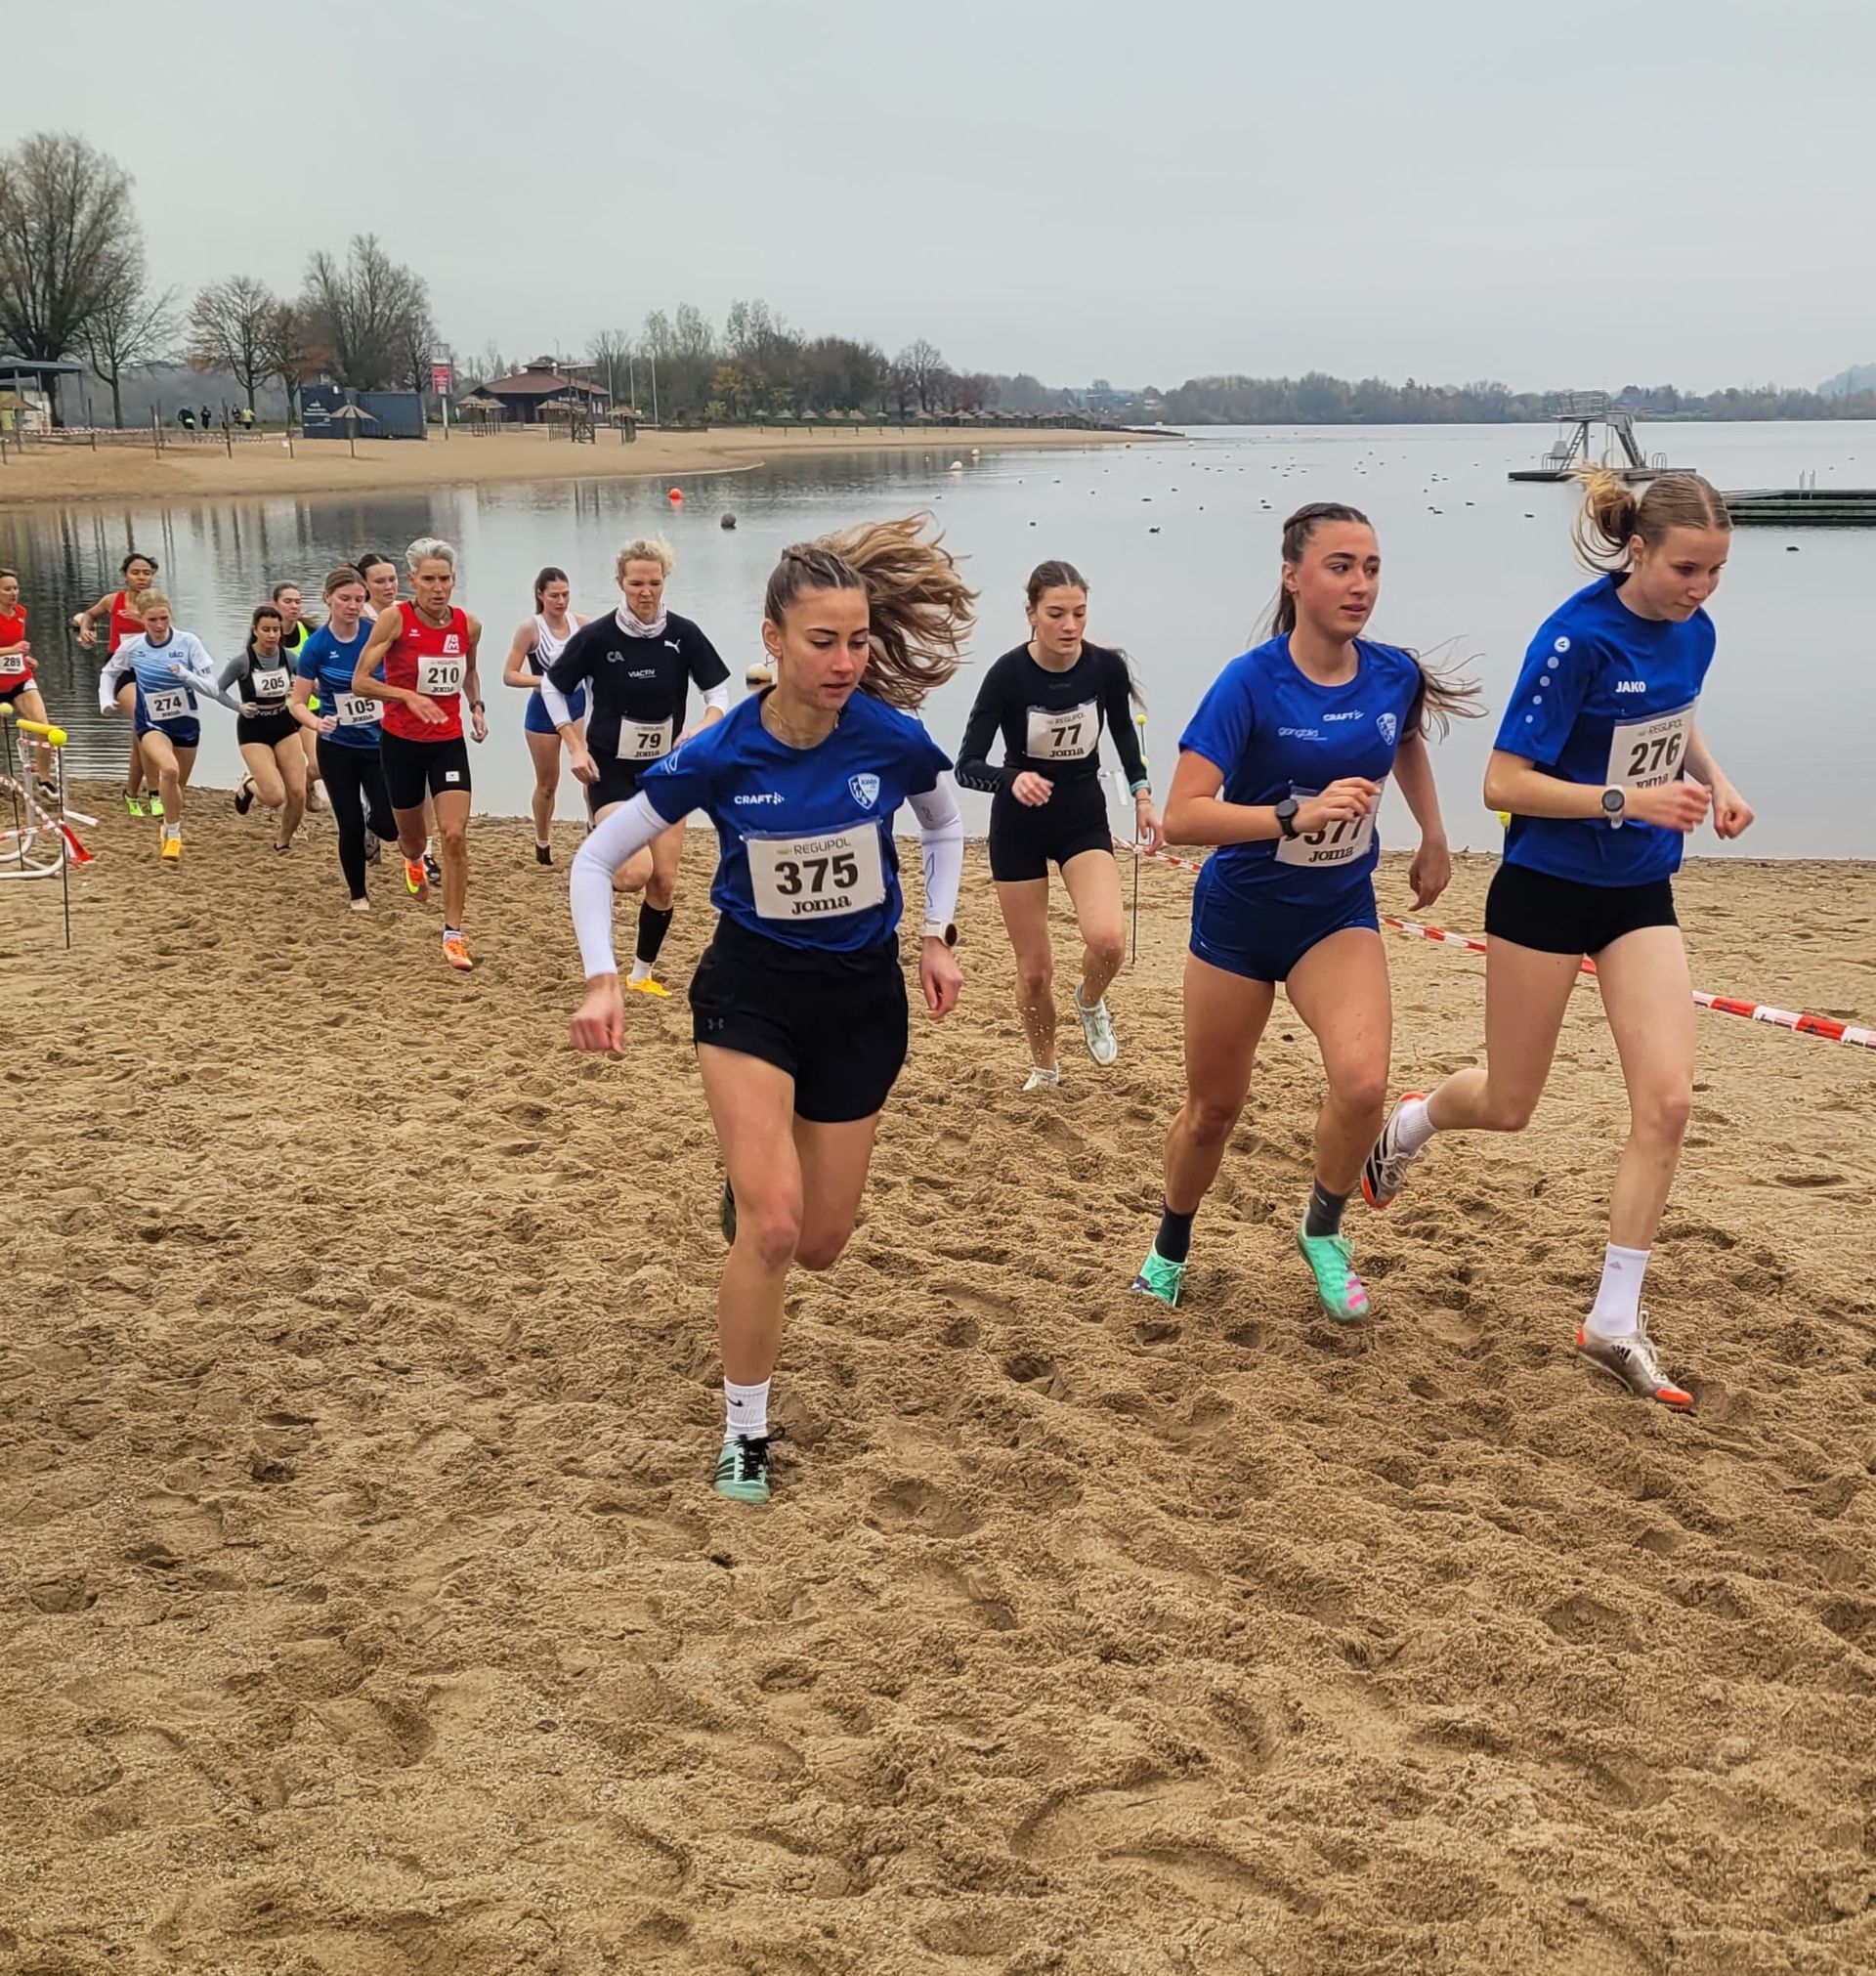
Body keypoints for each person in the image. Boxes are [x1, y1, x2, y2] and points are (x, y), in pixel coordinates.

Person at [569, 516, 971, 1506]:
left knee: (822, 1245)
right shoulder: (722, 753)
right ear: (773, 640)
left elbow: (945, 823)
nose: (845, 662)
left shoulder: (891, 737)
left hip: (861, 1000)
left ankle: (747, 1188)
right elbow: (595, 857)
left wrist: (937, 932)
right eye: (823, 641)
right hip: (750, 994)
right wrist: (602, 975)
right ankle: (744, 1431)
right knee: (779, 1230)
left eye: (858, 641)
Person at [1363, 471, 1752, 1409]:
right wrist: (1627, 799)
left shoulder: (1695, 630)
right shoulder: (1574, 640)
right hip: (1545, 889)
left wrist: (1716, 781)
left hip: (1638, 892)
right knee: (1509, 1104)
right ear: (1638, 551)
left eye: (1716, 571)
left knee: (1668, 1101)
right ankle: (1416, 1120)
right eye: (1687, 569)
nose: (1702, 588)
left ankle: (1613, 1320)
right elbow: (1502, 784)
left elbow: (1675, 716)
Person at [1131, 501, 1471, 1321]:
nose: (1361, 585)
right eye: (1340, 567)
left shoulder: (1392, 673)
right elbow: (1183, 816)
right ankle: (1169, 1245)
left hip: (1335, 916)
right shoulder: (1248, 683)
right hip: (1240, 922)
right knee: (1213, 1111)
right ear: (1292, 577)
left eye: (1372, 568)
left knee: (1363, 1085)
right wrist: (1294, 816)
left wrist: (1432, 833)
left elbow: (1404, 741)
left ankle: (1322, 1230)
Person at [956, 560, 1162, 1089]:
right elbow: (967, 766)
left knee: (1109, 941)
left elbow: (1124, 734)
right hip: (1018, 826)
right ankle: (1045, 1067)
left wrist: (1142, 795)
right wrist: (1012, 779)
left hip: (1081, 817)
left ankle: (1090, 1000)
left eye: (1079, 613)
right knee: (1034, 970)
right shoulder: (1007, 675)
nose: (1070, 626)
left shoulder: (1104, 669)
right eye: (1056, 614)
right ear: (1031, 614)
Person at [544, 537, 731, 994]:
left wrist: (703, 726)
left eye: (654, 583)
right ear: (620, 583)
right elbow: (552, 687)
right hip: (610, 769)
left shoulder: (683, 634)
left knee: (664, 882)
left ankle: (641, 975)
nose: (646, 592)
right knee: (633, 874)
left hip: (667, 771)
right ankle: (596, 851)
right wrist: (574, 746)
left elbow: (718, 693)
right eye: (636, 584)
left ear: (664, 582)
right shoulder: (598, 637)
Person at [352, 537, 487, 970]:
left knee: (454, 835)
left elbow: (469, 672)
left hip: (447, 742)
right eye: (428, 579)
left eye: (444, 579)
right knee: (409, 836)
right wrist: (406, 696)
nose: (437, 587)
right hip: (402, 742)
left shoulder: (468, 625)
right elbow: (360, 681)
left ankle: (453, 935)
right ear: (413, 580)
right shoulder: (395, 620)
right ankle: (412, 858)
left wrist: (477, 707)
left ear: (454, 580)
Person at [98, 594, 237, 861]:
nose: (160, 625)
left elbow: (212, 689)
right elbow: (109, 672)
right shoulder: (133, 647)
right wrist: (106, 699)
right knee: (169, 770)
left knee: (176, 790)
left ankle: (167, 825)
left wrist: (186, 675)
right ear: (141, 619)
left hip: (185, 724)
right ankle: (173, 836)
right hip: (151, 723)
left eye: (164, 618)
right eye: (152, 620)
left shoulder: (188, 642)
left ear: (171, 616)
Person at [293, 567, 396, 913]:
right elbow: (297, 703)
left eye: (358, 599)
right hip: (337, 747)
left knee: (389, 825)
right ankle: (358, 895)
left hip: (378, 743)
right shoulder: (317, 646)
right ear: (328, 599)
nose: (352, 606)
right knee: (348, 823)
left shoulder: (375, 633)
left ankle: (373, 829)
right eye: (345, 599)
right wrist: (316, 722)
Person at [358, 549, 440, 888]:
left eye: (392, 579)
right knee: (385, 800)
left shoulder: (410, 613)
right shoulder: (358, 618)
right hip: (368, 715)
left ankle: (426, 854)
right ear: (365, 585)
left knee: (427, 787)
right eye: (380, 581)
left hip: (411, 715)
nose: (388, 586)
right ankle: (371, 823)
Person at [499, 566, 588, 865]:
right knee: (548, 784)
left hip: (577, 704)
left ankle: (595, 830)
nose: (561, 601)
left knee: (591, 773)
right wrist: (546, 682)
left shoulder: (581, 624)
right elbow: (510, 675)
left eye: (565, 595)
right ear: (540, 595)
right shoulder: (530, 629)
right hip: (543, 710)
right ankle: (542, 841)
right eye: (554, 596)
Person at [71, 550, 160, 814]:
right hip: (121, 670)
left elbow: (169, 634)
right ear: (125, 576)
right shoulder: (113, 600)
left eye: (146, 573)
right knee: (144, 722)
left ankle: (131, 794)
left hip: (150, 670)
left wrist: (145, 622)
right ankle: (155, 793)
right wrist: (86, 629)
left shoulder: (157, 604)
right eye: (136, 573)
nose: (141, 578)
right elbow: (90, 614)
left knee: (140, 736)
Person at [223, 605, 308, 852]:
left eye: (276, 630)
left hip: (282, 723)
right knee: (274, 797)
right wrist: (238, 706)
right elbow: (218, 690)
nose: (272, 635)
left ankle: (283, 841)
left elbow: (310, 679)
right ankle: (249, 783)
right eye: (266, 630)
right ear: (255, 631)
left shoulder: (289, 658)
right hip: (253, 729)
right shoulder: (242, 661)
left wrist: (311, 688)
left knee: (298, 793)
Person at [0, 568, 55, 787]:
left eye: (16, 588)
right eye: (7, 589)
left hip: (19, 679)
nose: (13, 593)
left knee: (42, 725)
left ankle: (44, 778)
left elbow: (17, 647)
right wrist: (12, 650)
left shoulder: (21, 612)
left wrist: (26, 658)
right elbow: (11, 647)